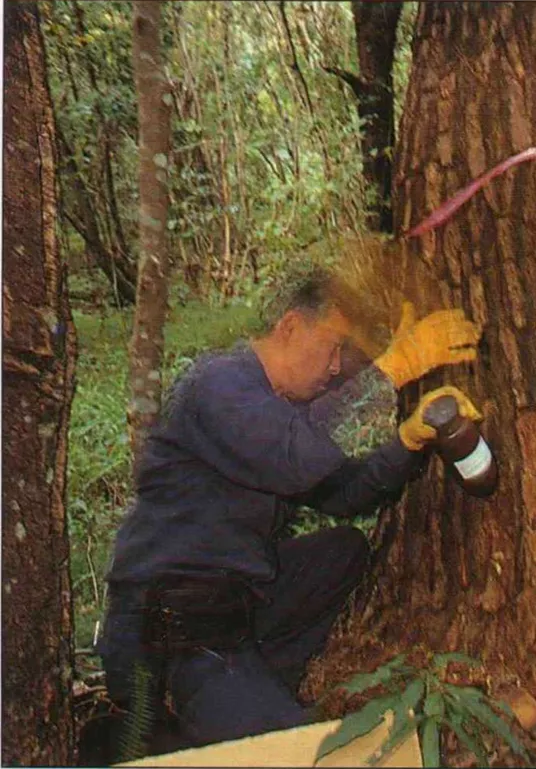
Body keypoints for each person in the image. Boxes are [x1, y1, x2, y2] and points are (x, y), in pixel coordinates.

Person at [99, 269, 484, 754]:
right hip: (169, 631)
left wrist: (408, 441)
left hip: (233, 606)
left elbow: (347, 495)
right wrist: (396, 368)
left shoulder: (281, 412)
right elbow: (297, 454)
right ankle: (214, 708)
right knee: (298, 752)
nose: (335, 368)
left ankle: (250, 688)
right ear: (290, 327)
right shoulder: (217, 383)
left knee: (341, 553)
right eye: (332, 347)